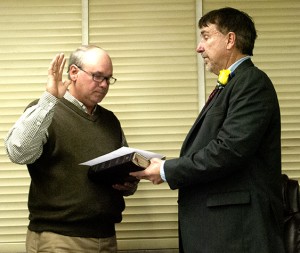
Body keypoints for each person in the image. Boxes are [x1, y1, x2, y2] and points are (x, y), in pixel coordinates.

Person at [131, 7, 285, 253]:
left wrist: (167, 170)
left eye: (205, 36)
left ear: (230, 40)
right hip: (222, 231)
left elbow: (229, 150)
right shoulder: (234, 83)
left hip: (236, 233)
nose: (199, 47)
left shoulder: (252, 82)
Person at [4, 45, 139, 253]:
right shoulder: (44, 110)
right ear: (74, 72)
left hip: (107, 237)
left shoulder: (110, 120)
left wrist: (129, 183)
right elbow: (19, 153)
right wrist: (49, 99)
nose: (103, 85)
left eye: (108, 79)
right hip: (59, 239)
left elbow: (124, 169)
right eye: (97, 76)